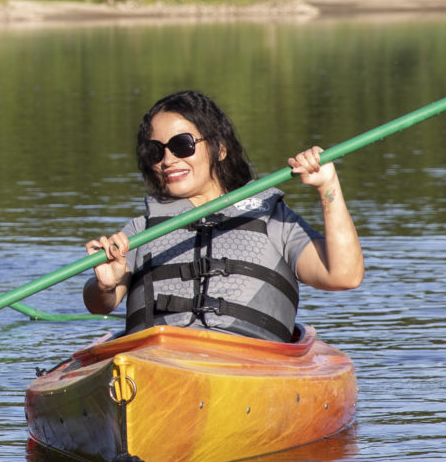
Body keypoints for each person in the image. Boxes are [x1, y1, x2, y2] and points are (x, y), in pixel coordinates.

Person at [80, 90, 362, 340]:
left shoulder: (274, 219)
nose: (167, 160)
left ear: (220, 148)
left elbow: (344, 276)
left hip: (247, 367)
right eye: (156, 151)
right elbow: (99, 304)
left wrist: (328, 185)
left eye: (182, 145)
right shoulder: (139, 231)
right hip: (157, 364)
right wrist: (105, 285)